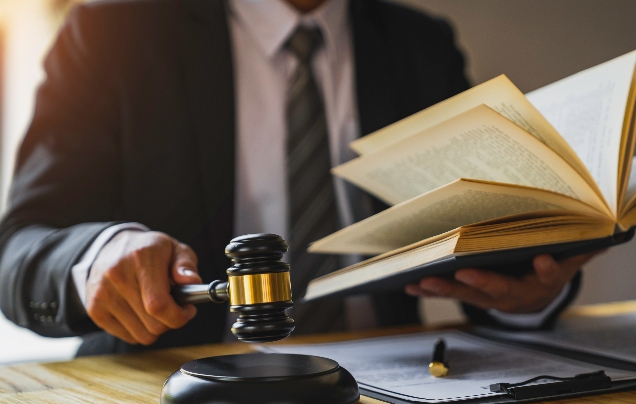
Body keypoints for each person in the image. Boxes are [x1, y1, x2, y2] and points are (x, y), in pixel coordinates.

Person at [0, 0, 595, 356]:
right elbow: (18, 250)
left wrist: (528, 298)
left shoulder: (419, 45)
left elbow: (480, 240)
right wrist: (96, 256)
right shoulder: (112, 30)